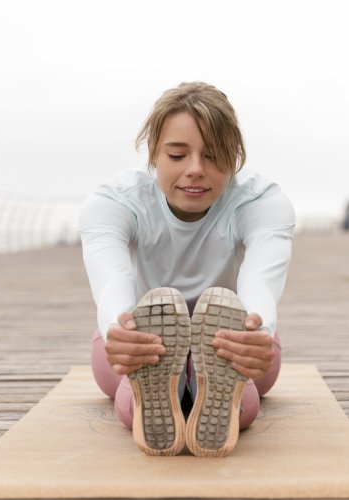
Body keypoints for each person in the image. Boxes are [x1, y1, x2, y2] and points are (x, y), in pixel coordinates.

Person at [78, 82, 295, 457]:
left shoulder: (262, 201)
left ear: (235, 156)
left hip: (228, 336)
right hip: (146, 336)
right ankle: (169, 388)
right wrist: (119, 329)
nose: (195, 170)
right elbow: (113, 280)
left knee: (261, 372)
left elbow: (260, 280)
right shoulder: (113, 201)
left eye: (212, 156)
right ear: (153, 154)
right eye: (177, 155)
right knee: (115, 372)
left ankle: (196, 389)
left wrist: (258, 331)